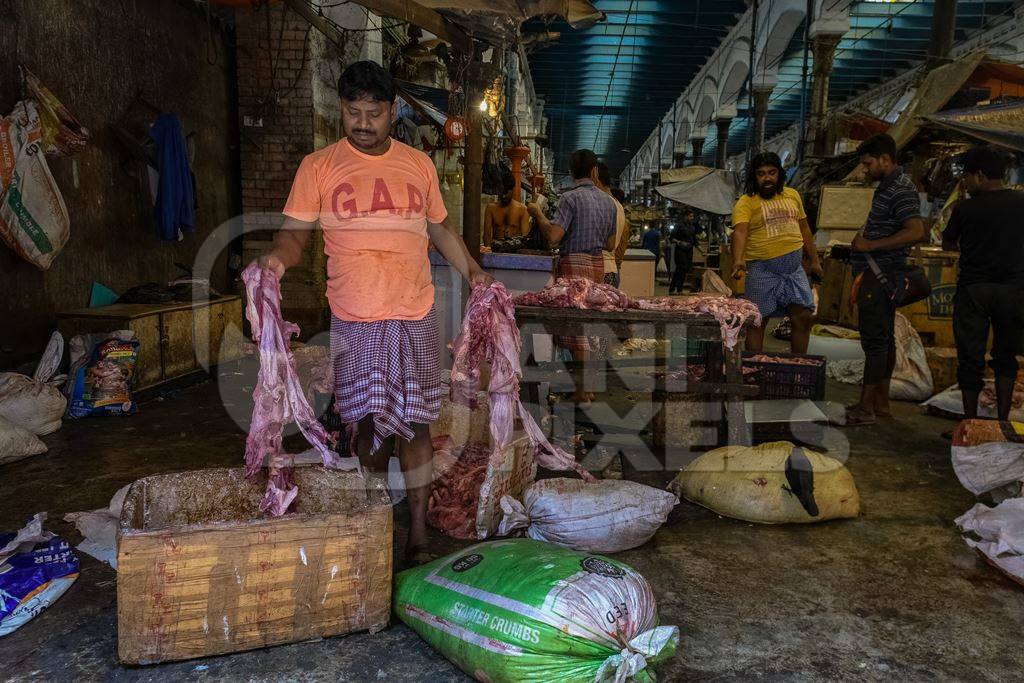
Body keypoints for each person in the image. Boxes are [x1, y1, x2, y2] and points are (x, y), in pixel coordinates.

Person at [255, 61, 493, 565]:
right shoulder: (318, 167)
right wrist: (278, 260)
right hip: (355, 314)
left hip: (414, 311)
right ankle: (374, 528)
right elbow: (295, 234)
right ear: (342, 109)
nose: (362, 123)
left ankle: (419, 535)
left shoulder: (418, 165)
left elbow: (441, 231)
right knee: (366, 426)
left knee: (417, 426)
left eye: (374, 113)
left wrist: (475, 272)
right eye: (352, 112)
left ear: (393, 112)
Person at [846, 133, 926, 426]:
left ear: (885, 159)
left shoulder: (901, 190)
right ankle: (880, 404)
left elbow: (916, 231)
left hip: (881, 274)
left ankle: (866, 409)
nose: (866, 169)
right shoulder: (888, 188)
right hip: (879, 273)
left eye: (868, 163)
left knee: (875, 343)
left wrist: (871, 246)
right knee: (885, 340)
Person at [528, 149, 618, 402]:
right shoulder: (608, 202)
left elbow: (554, 236)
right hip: (597, 264)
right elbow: (610, 244)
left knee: (575, 329)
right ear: (594, 172)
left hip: (574, 264)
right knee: (589, 327)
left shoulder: (569, 199)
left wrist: (537, 214)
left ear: (570, 173)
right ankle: (586, 388)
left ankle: (581, 391)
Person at [942, 145, 1024, 422]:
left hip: (974, 290)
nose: (964, 183)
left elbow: (948, 243)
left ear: (979, 175)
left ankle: (969, 422)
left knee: (970, 359)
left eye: (965, 177)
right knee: (1006, 356)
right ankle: (1001, 423)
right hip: (1013, 291)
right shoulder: (1021, 203)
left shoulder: (966, 208)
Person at [730, 152, 822, 353]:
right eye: (761, 174)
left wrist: (815, 260)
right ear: (754, 177)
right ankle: (755, 367)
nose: (767, 178)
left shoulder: (793, 195)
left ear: (779, 174)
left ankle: (799, 365)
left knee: (803, 316)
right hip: (762, 270)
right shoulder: (746, 202)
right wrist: (738, 261)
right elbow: (740, 231)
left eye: (771, 172)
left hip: (794, 270)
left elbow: (805, 229)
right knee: (757, 321)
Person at [594, 162, 629, 288]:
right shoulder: (617, 205)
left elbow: (608, 243)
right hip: (611, 269)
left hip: (602, 271)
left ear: (595, 177)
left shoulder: (605, 204)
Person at [483, 175, 530, 246]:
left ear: (513, 190)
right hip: (496, 250)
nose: (503, 196)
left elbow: (525, 237)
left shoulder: (522, 210)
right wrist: (489, 251)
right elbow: (487, 235)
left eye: (506, 193)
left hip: (514, 251)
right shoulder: (491, 208)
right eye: (501, 192)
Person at [669, 210, 698, 294]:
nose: (691, 218)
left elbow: (695, 240)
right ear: (685, 216)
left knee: (683, 270)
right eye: (690, 216)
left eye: (692, 216)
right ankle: (676, 289)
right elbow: (671, 238)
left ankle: (676, 289)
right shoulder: (678, 226)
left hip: (689, 251)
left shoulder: (692, 227)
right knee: (681, 268)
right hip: (680, 251)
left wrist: (702, 251)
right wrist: (679, 242)